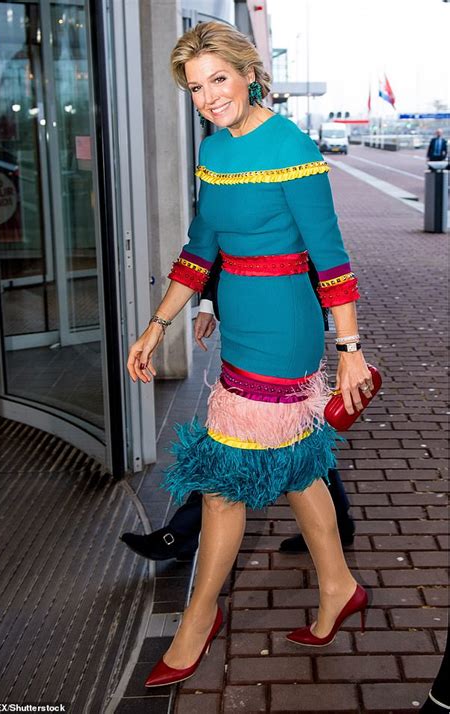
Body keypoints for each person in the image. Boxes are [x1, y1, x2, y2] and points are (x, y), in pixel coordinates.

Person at [127, 21, 372, 688]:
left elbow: (332, 257)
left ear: (248, 72)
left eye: (218, 80)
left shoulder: (292, 147)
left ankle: (198, 619)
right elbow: (200, 246)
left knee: (221, 487)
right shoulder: (214, 151)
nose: (208, 97)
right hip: (240, 320)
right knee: (295, 469)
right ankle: (338, 585)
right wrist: (160, 323)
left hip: (287, 326)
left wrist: (349, 350)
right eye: (195, 87)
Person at [121, 256, 356, 561]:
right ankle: (338, 525)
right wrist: (206, 303)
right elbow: (215, 240)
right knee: (295, 434)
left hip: (285, 318)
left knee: (243, 439)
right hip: (257, 321)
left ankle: (182, 535)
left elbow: (326, 252)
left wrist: (350, 347)